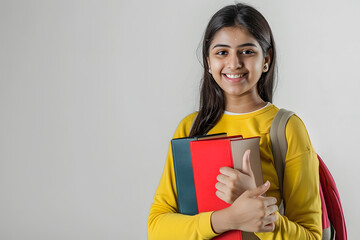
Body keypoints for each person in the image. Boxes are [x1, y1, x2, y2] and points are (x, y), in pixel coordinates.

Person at [148, 3, 322, 240]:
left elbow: (312, 236)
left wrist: (256, 204)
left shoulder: (287, 128)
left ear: (266, 59)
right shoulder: (190, 128)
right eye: (222, 52)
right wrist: (229, 218)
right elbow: (157, 228)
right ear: (208, 61)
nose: (234, 64)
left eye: (247, 51)